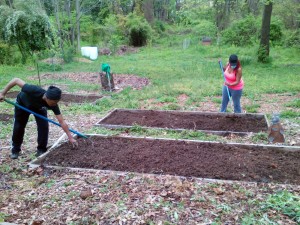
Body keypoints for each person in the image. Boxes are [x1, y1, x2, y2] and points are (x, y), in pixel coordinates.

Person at [0, 78, 78, 159]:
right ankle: (15, 150)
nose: (55, 104)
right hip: (23, 104)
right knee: (19, 126)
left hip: (39, 108)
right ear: (47, 98)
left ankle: (41, 150)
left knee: (43, 126)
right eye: (54, 102)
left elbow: (62, 122)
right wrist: (2, 93)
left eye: (56, 102)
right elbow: (16, 80)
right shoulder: (33, 90)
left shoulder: (53, 104)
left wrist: (70, 137)